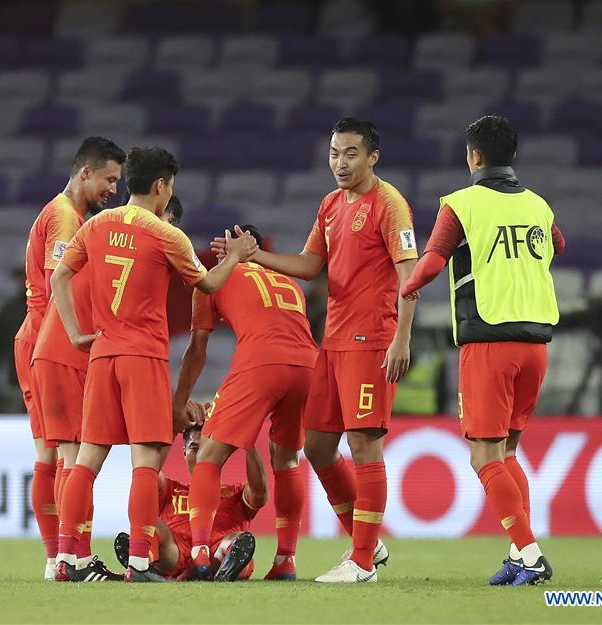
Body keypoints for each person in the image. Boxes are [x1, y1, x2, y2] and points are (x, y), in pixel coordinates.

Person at [212, 117, 419, 583]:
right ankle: (366, 540)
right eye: (333, 153)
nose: (340, 163)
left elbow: (410, 277)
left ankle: (362, 560)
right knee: (319, 447)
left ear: (372, 157)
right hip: (333, 342)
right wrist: (254, 254)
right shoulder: (330, 205)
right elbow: (309, 265)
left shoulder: (389, 206)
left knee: (365, 444)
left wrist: (401, 338)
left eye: (350, 153)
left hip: (372, 339)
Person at [50, 146, 258, 583]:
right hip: (142, 355)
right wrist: (236, 255)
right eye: (171, 187)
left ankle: (66, 559)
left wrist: (73, 333)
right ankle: (141, 563)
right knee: (146, 461)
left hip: (103, 353)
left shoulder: (97, 224)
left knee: (86, 461)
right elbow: (208, 282)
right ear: (162, 185)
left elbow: (59, 277)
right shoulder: (167, 234)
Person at [400, 115, 565, 586]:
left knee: (483, 456)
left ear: (473, 156)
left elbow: (433, 258)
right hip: (536, 341)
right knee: (508, 452)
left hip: (490, 338)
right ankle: (520, 554)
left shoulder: (462, 204)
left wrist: (409, 287)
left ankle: (530, 553)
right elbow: (558, 244)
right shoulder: (539, 204)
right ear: (512, 156)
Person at [30, 195, 185, 582]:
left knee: (76, 458)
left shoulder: (97, 232)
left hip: (78, 351)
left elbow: (57, 276)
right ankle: (104, 561)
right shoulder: (152, 238)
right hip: (82, 350)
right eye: (171, 219)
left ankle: (69, 558)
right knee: (99, 457)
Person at [173, 223, 317, 581]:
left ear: (237, 247)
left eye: (224, 244)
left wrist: (179, 401)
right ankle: (286, 560)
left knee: (207, 453)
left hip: (261, 361)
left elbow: (197, 352)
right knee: (286, 458)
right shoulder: (288, 281)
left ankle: (202, 551)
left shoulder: (212, 279)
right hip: (309, 365)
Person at [13, 136, 126, 579]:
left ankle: (55, 556)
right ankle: (68, 555)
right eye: (109, 179)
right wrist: (77, 337)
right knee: (72, 454)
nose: (113, 189)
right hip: (51, 340)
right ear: (85, 172)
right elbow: (57, 281)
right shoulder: (64, 218)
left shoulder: (65, 213)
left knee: (51, 454)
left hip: (37, 340)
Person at [112, 425, 268, 581]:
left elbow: (259, 493)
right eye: (195, 447)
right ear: (184, 452)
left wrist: (249, 445)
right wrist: (173, 428)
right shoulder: (169, 488)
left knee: (238, 540)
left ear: (221, 453)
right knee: (153, 525)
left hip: (217, 553)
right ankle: (144, 562)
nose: (202, 455)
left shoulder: (236, 492)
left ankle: (225, 571)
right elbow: (149, 469)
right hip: (175, 553)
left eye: (207, 448)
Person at [0, 265, 27, 414]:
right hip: (17, 383)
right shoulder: (8, 311)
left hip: (46, 383)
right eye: (21, 276)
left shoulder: (52, 304)